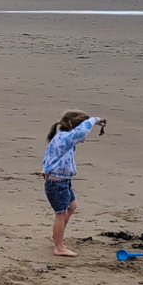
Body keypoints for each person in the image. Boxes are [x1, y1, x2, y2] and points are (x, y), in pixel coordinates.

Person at [41, 110, 105, 257]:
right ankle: (59, 247)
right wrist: (94, 120)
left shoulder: (61, 139)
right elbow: (80, 133)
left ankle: (58, 238)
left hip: (62, 182)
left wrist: (45, 169)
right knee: (60, 213)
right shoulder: (65, 138)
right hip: (57, 184)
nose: (84, 138)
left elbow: (49, 155)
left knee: (72, 207)